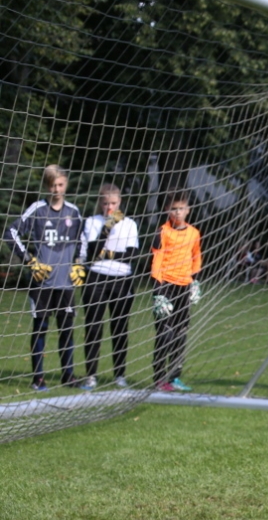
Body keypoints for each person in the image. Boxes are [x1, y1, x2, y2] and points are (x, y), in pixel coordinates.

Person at [3, 165, 86, 391]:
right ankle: (38, 378)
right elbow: (10, 233)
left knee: (67, 330)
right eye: (52, 185)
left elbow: (82, 240)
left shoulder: (73, 212)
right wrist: (29, 261)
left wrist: (79, 263)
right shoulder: (37, 210)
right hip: (42, 283)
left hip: (66, 283)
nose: (56, 189)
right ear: (46, 186)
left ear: (65, 184)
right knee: (40, 328)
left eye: (60, 185)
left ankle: (68, 375)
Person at [80, 183, 139, 389]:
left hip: (122, 279)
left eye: (113, 203)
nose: (110, 208)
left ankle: (119, 375)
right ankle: (91, 375)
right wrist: (107, 228)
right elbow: (91, 252)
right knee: (93, 327)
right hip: (96, 277)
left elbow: (131, 255)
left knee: (120, 327)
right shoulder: (92, 222)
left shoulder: (130, 224)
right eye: (106, 203)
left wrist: (107, 254)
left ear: (119, 202)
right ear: (100, 203)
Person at [151, 192, 201, 393]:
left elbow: (196, 257)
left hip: (184, 287)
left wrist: (195, 282)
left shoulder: (194, 233)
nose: (178, 212)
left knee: (180, 334)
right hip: (165, 286)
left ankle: (174, 377)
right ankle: (159, 379)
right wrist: (158, 292)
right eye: (174, 208)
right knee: (165, 334)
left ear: (188, 210)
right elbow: (156, 260)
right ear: (167, 210)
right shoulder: (162, 232)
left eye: (181, 208)